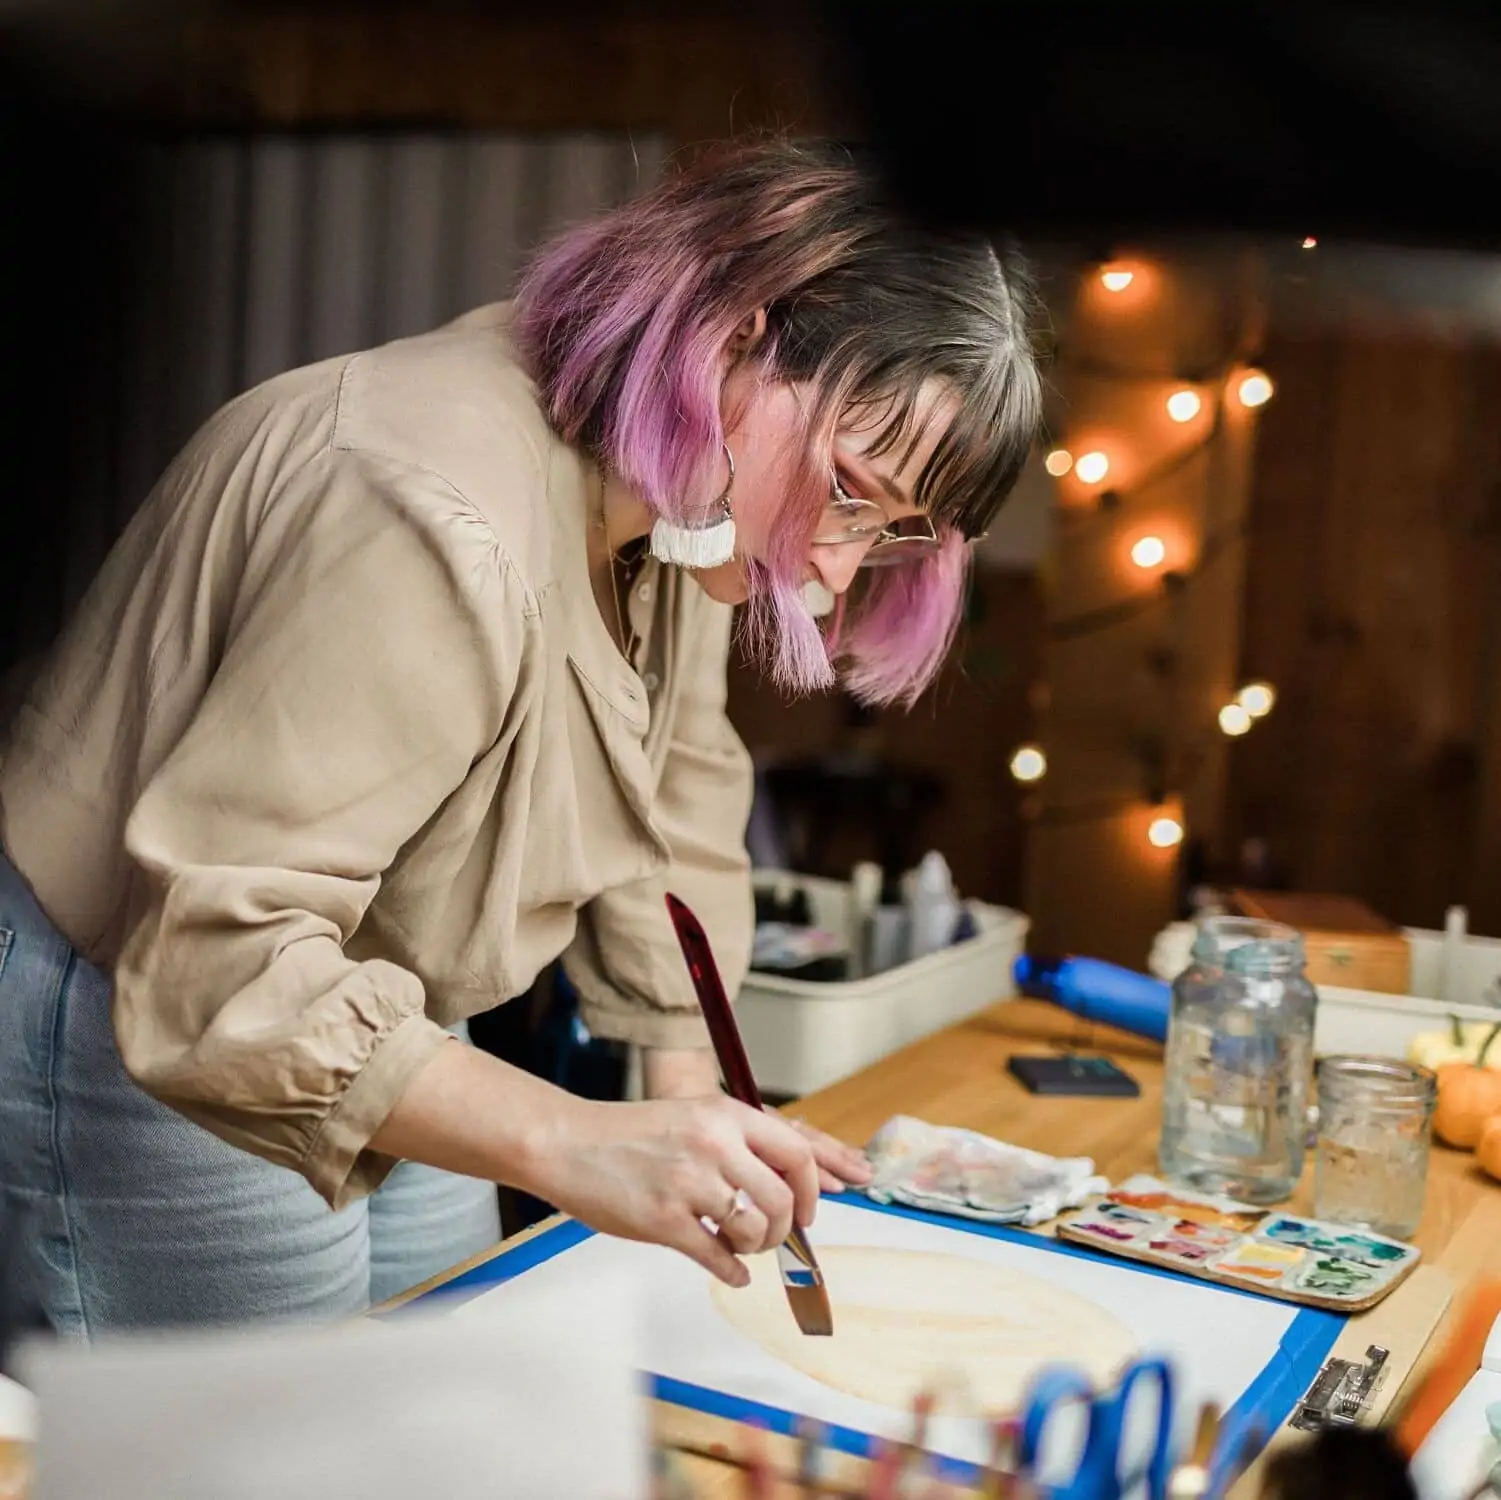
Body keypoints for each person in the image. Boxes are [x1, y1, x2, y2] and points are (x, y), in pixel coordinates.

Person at [0, 137, 1042, 1338]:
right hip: (162, 1004)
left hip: (380, 986)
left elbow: (676, 782)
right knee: (274, 1456)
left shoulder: (688, 489)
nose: (834, 569)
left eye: (897, 532)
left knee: (431, 1396)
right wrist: (576, 1139)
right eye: (852, 488)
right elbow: (218, 966)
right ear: (740, 335)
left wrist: (687, 1100)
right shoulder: (428, 517)